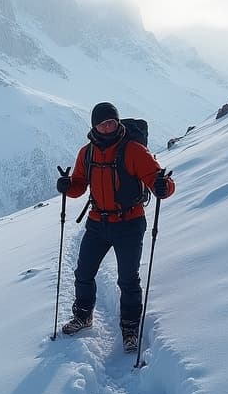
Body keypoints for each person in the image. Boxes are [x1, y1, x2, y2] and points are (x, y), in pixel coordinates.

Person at [55, 101, 176, 351]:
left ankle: (130, 327)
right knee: (83, 273)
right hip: (98, 222)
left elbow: (157, 179)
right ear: (94, 126)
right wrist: (67, 186)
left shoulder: (133, 150)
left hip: (130, 223)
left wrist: (165, 187)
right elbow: (79, 184)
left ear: (118, 122)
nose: (108, 127)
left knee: (128, 280)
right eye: (103, 123)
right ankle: (83, 316)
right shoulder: (86, 153)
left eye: (112, 122)